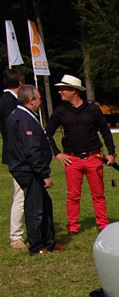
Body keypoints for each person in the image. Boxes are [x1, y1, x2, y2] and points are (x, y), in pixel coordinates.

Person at [45, 74, 116, 236]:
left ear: (73, 91)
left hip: (94, 157)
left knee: (98, 195)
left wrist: (111, 153)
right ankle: (73, 227)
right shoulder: (60, 111)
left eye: (63, 89)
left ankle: (103, 225)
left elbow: (105, 131)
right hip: (72, 160)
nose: (60, 92)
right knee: (73, 196)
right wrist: (57, 154)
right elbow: (47, 134)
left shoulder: (92, 109)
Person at [6, 85, 62, 255]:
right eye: (38, 98)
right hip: (29, 170)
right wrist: (43, 174)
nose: (41, 102)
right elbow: (31, 150)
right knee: (35, 208)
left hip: (27, 168)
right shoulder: (24, 119)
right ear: (31, 101)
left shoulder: (20, 115)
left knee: (45, 204)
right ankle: (37, 247)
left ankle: (49, 242)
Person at [2, 68, 27, 249]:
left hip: (13, 154)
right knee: (20, 195)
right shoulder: (11, 104)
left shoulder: (4, 101)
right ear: (20, 83)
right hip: (18, 155)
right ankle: (16, 236)